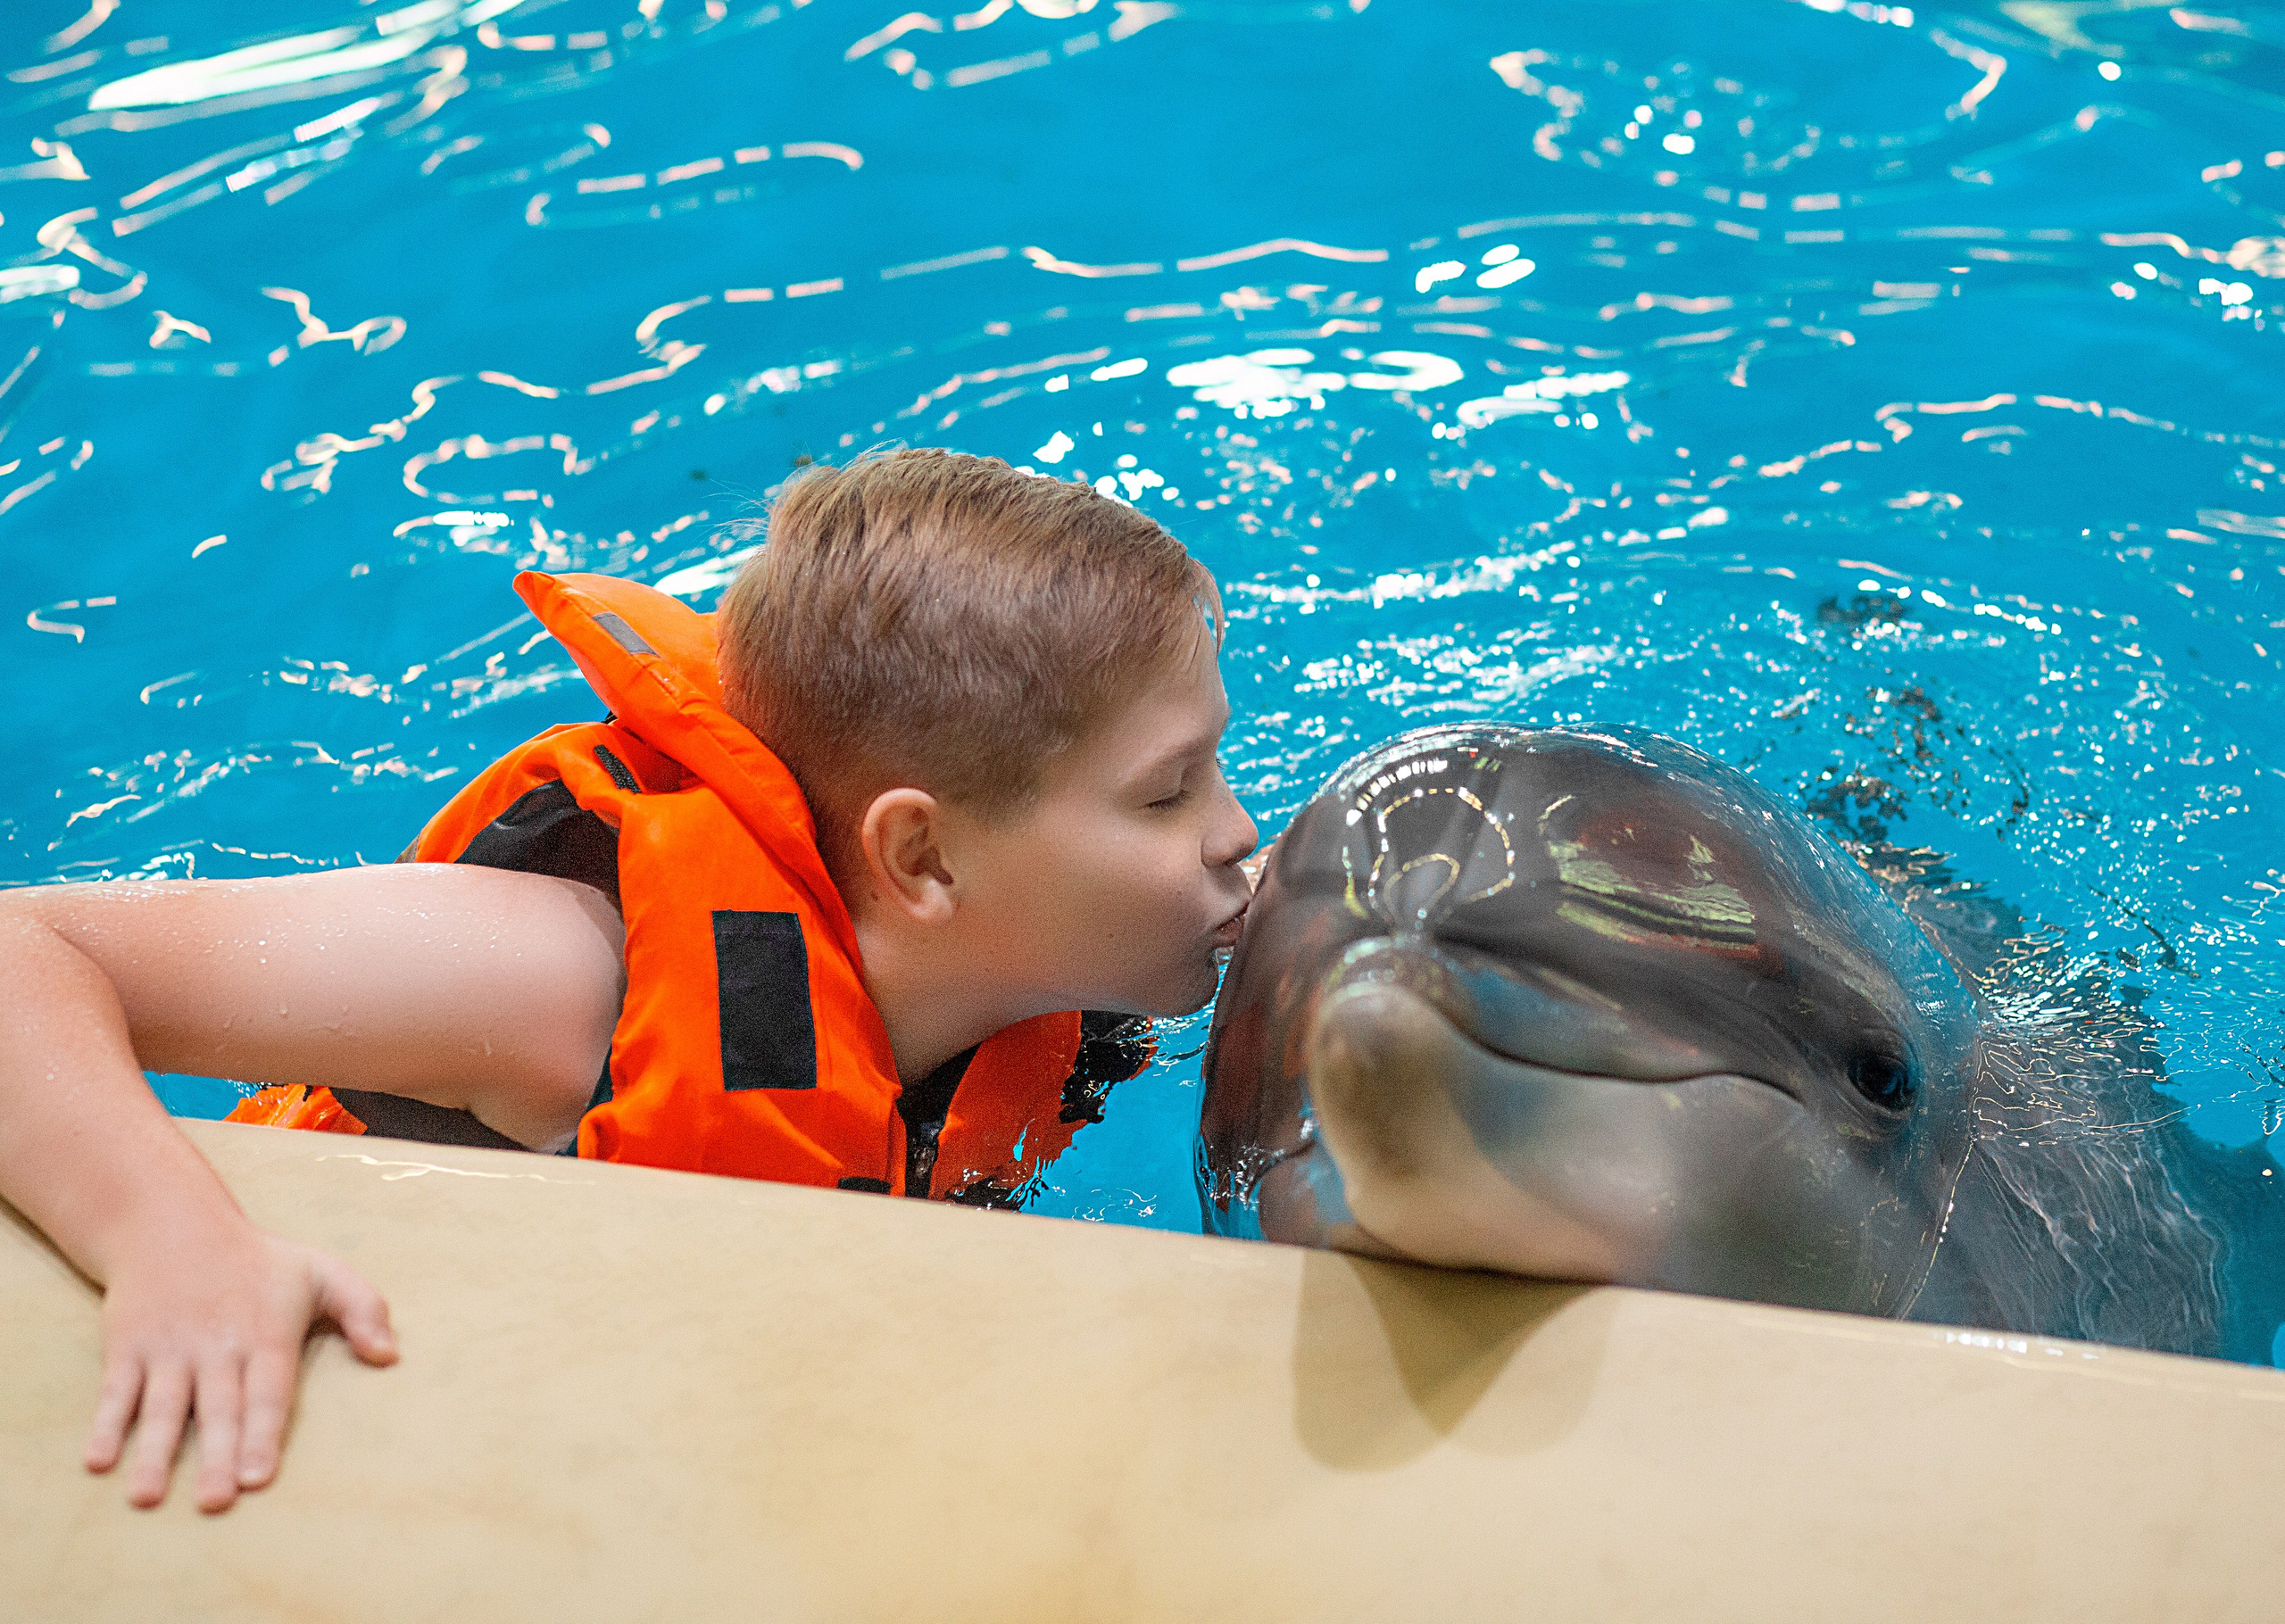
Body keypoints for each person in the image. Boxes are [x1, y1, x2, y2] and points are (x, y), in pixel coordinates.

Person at [0, 448, 1258, 1513]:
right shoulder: (555, 982)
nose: (1238, 833)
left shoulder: (1055, 986)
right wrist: (173, 1244)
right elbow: (21, 953)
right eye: (1168, 792)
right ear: (921, 857)